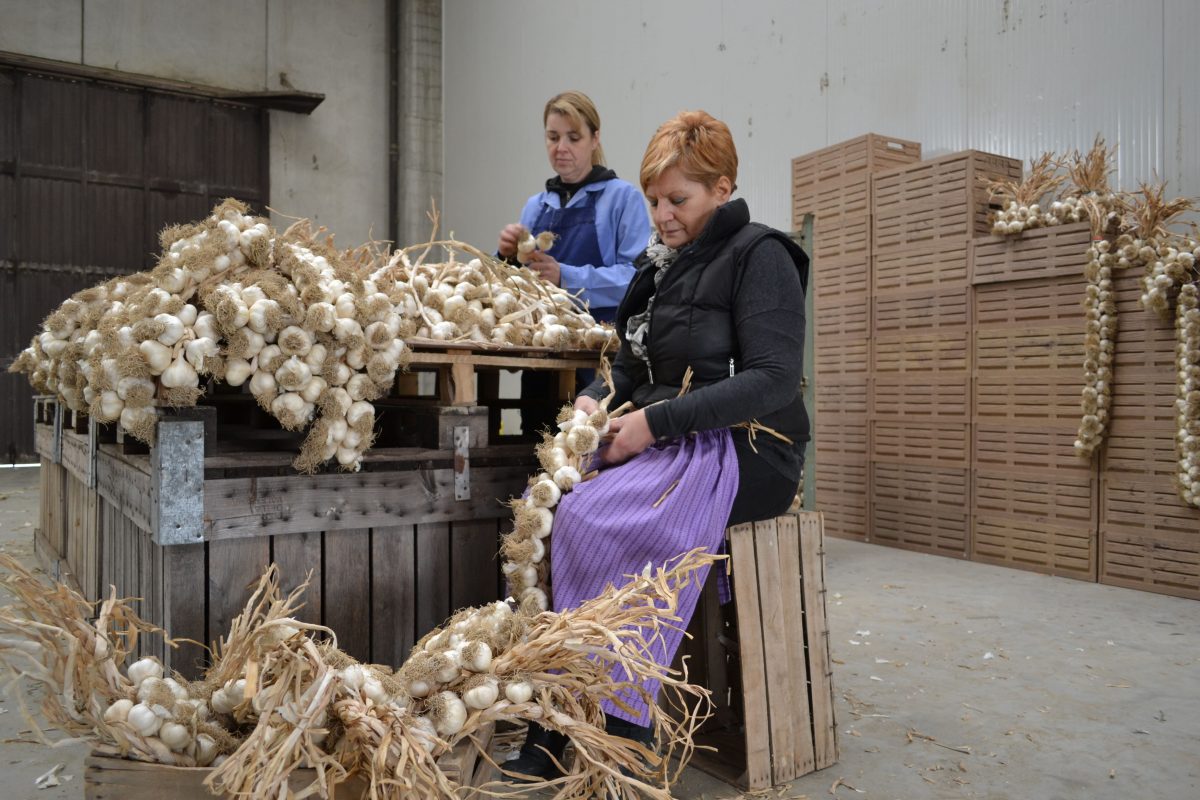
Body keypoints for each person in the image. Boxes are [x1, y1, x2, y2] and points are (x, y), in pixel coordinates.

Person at [505, 110, 810, 781]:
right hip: (671, 432)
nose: (663, 215)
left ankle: (622, 723)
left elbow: (773, 378)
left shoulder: (763, 256)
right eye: (653, 200)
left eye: (680, 200)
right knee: (547, 501)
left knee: (604, 517)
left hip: (750, 447)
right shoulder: (660, 265)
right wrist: (594, 401)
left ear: (722, 187)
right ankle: (558, 704)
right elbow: (638, 365)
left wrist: (654, 425)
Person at [497, 91, 651, 324]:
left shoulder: (622, 198)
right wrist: (505, 258)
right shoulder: (535, 207)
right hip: (541, 343)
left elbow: (638, 280)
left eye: (574, 138)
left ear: (595, 139)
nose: (561, 148)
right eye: (553, 137)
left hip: (601, 344)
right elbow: (514, 288)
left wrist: (566, 277)